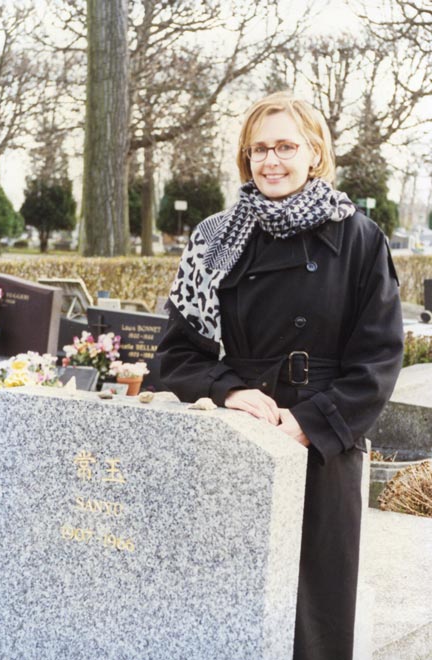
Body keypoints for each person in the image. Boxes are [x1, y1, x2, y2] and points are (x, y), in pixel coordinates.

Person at [157, 92, 404, 660]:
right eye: (259, 149)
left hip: (323, 442)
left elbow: (379, 358)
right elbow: (175, 356)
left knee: (313, 613)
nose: (271, 161)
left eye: (286, 147)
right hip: (236, 438)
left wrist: (311, 423)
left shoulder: (359, 237)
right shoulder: (213, 239)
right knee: (224, 605)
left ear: (315, 153)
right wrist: (228, 390)